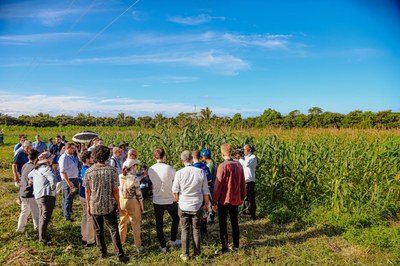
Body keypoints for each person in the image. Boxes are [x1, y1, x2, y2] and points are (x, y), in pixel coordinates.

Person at [83, 145, 129, 262]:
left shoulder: (89, 171)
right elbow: (115, 190)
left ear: (94, 156)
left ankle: (102, 252)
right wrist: (118, 204)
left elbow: (88, 192)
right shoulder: (112, 170)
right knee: (113, 229)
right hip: (109, 204)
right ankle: (119, 254)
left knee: (98, 229)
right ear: (107, 156)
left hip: (95, 204)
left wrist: (88, 205)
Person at [172, 151, 210, 262]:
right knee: (196, 229)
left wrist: (178, 200)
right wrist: (206, 204)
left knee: (184, 230)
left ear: (181, 160)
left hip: (183, 205)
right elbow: (205, 191)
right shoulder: (200, 172)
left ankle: (185, 254)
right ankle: (197, 253)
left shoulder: (179, 173)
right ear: (192, 159)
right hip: (197, 205)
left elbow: (175, 191)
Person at [212, 143, 246, 254]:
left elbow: (218, 186)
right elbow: (242, 183)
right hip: (236, 199)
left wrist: (214, 200)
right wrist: (242, 197)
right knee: (234, 222)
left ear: (222, 154)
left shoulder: (222, 166)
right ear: (231, 153)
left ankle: (224, 247)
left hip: (223, 200)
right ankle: (236, 245)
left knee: (223, 223)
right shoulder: (239, 165)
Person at [148, 147, 181, 254]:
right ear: (164, 156)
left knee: (159, 224)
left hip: (157, 200)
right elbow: (176, 184)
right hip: (170, 200)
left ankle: (163, 246)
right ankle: (173, 239)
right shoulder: (170, 169)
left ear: (154, 157)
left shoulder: (150, 169)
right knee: (176, 218)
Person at [28, 151, 57, 243]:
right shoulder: (47, 169)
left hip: (38, 196)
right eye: (51, 158)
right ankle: (42, 239)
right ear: (47, 160)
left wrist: (35, 183)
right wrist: (53, 189)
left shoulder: (36, 169)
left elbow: (30, 176)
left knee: (42, 217)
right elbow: (53, 180)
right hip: (47, 195)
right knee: (45, 218)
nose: (52, 160)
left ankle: (42, 236)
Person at [118, 159, 144, 253]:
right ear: (132, 167)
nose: (136, 167)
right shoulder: (134, 179)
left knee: (122, 222)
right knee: (135, 223)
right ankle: (138, 246)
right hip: (132, 201)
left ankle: (120, 242)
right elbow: (139, 194)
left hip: (122, 201)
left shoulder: (120, 177)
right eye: (135, 165)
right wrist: (141, 206)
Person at [16, 149, 40, 233]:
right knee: (36, 212)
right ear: (37, 158)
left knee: (24, 211)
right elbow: (31, 182)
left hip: (23, 193)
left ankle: (20, 229)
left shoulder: (25, 165)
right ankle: (38, 229)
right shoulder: (34, 168)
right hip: (30, 193)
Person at [192, 149, 211, 237]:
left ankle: (197, 231)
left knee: (197, 213)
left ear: (192, 157)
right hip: (205, 193)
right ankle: (204, 230)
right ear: (200, 157)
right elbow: (210, 179)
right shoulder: (205, 166)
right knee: (204, 212)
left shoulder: (193, 168)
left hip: (196, 193)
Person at [58, 142, 80, 221]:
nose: (74, 150)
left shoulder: (73, 156)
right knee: (67, 197)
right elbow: (63, 171)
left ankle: (69, 211)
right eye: (72, 148)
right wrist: (68, 182)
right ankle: (67, 216)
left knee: (71, 196)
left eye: (75, 148)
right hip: (68, 179)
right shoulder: (63, 158)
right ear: (67, 148)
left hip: (74, 178)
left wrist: (77, 152)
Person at [78, 151, 95, 247]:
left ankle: (84, 236)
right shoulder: (88, 171)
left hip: (82, 195)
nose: (93, 159)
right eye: (91, 158)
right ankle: (90, 240)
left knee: (85, 216)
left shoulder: (82, 169)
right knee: (90, 218)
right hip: (87, 196)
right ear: (87, 159)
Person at [239, 144, 258, 220]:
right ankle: (246, 212)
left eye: (244, 149)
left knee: (251, 198)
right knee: (245, 198)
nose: (243, 151)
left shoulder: (253, 157)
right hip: (244, 181)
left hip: (250, 181)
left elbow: (246, 164)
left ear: (249, 150)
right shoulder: (244, 158)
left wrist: (240, 159)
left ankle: (253, 215)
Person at [200, 148, 218, 224]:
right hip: (213, 184)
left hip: (210, 185)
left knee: (210, 203)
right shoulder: (213, 162)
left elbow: (208, 177)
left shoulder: (209, 165)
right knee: (212, 202)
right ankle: (210, 217)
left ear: (205, 156)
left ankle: (210, 218)